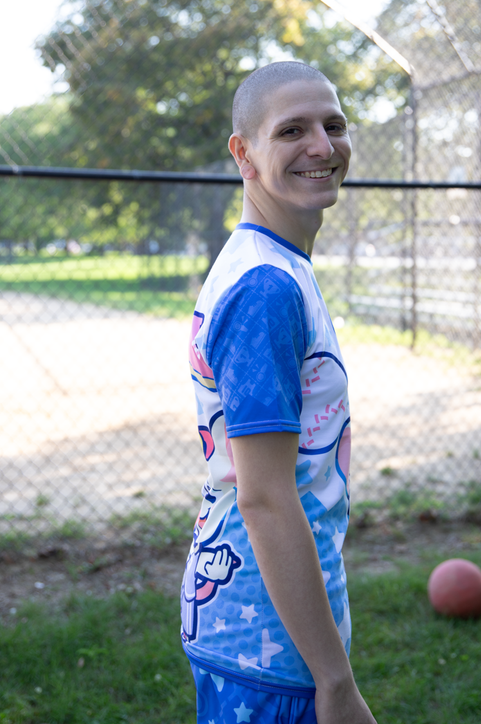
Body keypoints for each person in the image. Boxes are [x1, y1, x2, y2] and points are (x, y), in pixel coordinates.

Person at [180, 61, 377, 724]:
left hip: (260, 619)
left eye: (333, 125)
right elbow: (264, 495)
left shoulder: (277, 265)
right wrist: (334, 681)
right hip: (265, 642)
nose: (322, 146)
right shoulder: (265, 287)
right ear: (244, 154)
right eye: (292, 130)